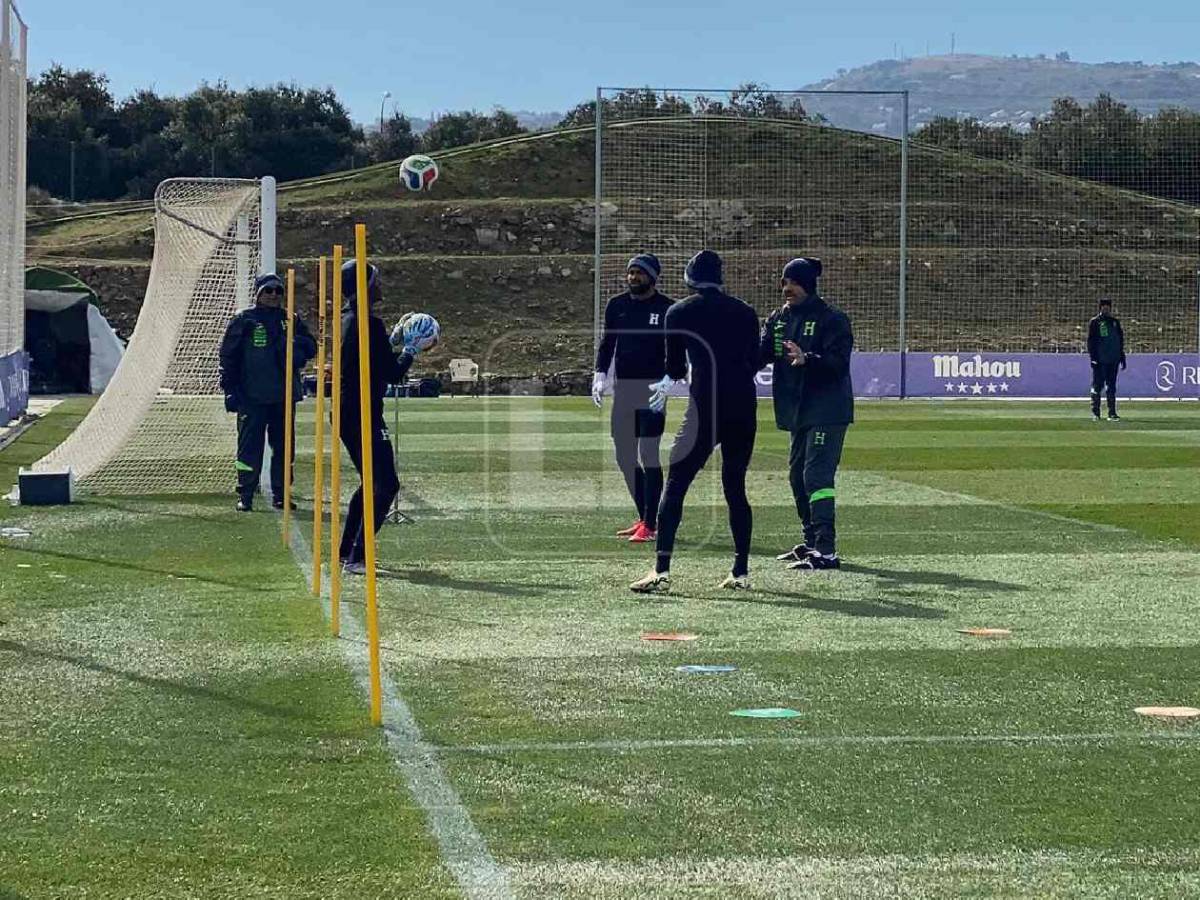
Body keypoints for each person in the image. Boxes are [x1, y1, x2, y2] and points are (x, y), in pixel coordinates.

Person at [629, 249, 760, 594]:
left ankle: (661, 570)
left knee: (676, 485)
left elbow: (674, 368)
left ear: (690, 278)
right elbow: (753, 360)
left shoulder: (679, 311)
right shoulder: (746, 312)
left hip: (705, 408)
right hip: (743, 406)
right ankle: (741, 571)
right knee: (735, 488)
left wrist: (665, 383)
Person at [337, 260, 436, 574]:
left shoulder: (350, 319)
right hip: (361, 413)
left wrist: (393, 342)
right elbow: (392, 373)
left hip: (350, 411)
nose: (381, 286)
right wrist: (410, 349)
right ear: (366, 286)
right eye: (376, 281)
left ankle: (345, 551)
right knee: (386, 484)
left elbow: (372, 360)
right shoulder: (368, 323)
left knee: (372, 483)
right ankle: (357, 556)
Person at [761, 258, 854, 571]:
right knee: (796, 478)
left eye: (794, 282)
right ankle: (812, 542)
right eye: (784, 282)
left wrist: (808, 358)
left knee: (816, 475)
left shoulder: (833, 319)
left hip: (827, 409)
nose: (787, 288)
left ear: (809, 285)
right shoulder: (777, 319)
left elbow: (838, 363)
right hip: (797, 411)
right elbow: (762, 353)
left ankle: (826, 551)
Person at [593, 254, 674, 543]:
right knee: (624, 455)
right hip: (624, 390)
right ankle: (645, 517)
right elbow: (608, 342)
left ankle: (652, 525)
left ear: (652, 277)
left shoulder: (668, 308)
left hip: (653, 391)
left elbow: (678, 349)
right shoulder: (617, 305)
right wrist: (600, 374)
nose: (633, 277)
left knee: (649, 455)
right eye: (630, 272)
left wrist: (669, 380)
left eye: (639, 273)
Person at [218, 272, 316, 512]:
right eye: (268, 290)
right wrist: (230, 391)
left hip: (283, 397)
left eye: (278, 291)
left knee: (284, 448)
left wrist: (297, 350)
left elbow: (311, 346)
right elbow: (228, 357)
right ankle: (246, 494)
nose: (274, 295)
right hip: (251, 397)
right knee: (249, 449)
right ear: (258, 293)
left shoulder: (290, 320)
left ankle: (281, 494)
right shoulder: (244, 319)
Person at [1087, 298, 1126, 422]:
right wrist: (1093, 358)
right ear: (1100, 308)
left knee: (1111, 387)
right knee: (1097, 386)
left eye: (1108, 307)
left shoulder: (1115, 322)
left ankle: (1112, 413)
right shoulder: (1095, 322)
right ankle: (1096, 413)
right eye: (1104, 307)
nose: (1106, 309)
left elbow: (1120, 341)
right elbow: (1091, 342)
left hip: (1113, 359)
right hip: (1100, 360)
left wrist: (1122, 357)